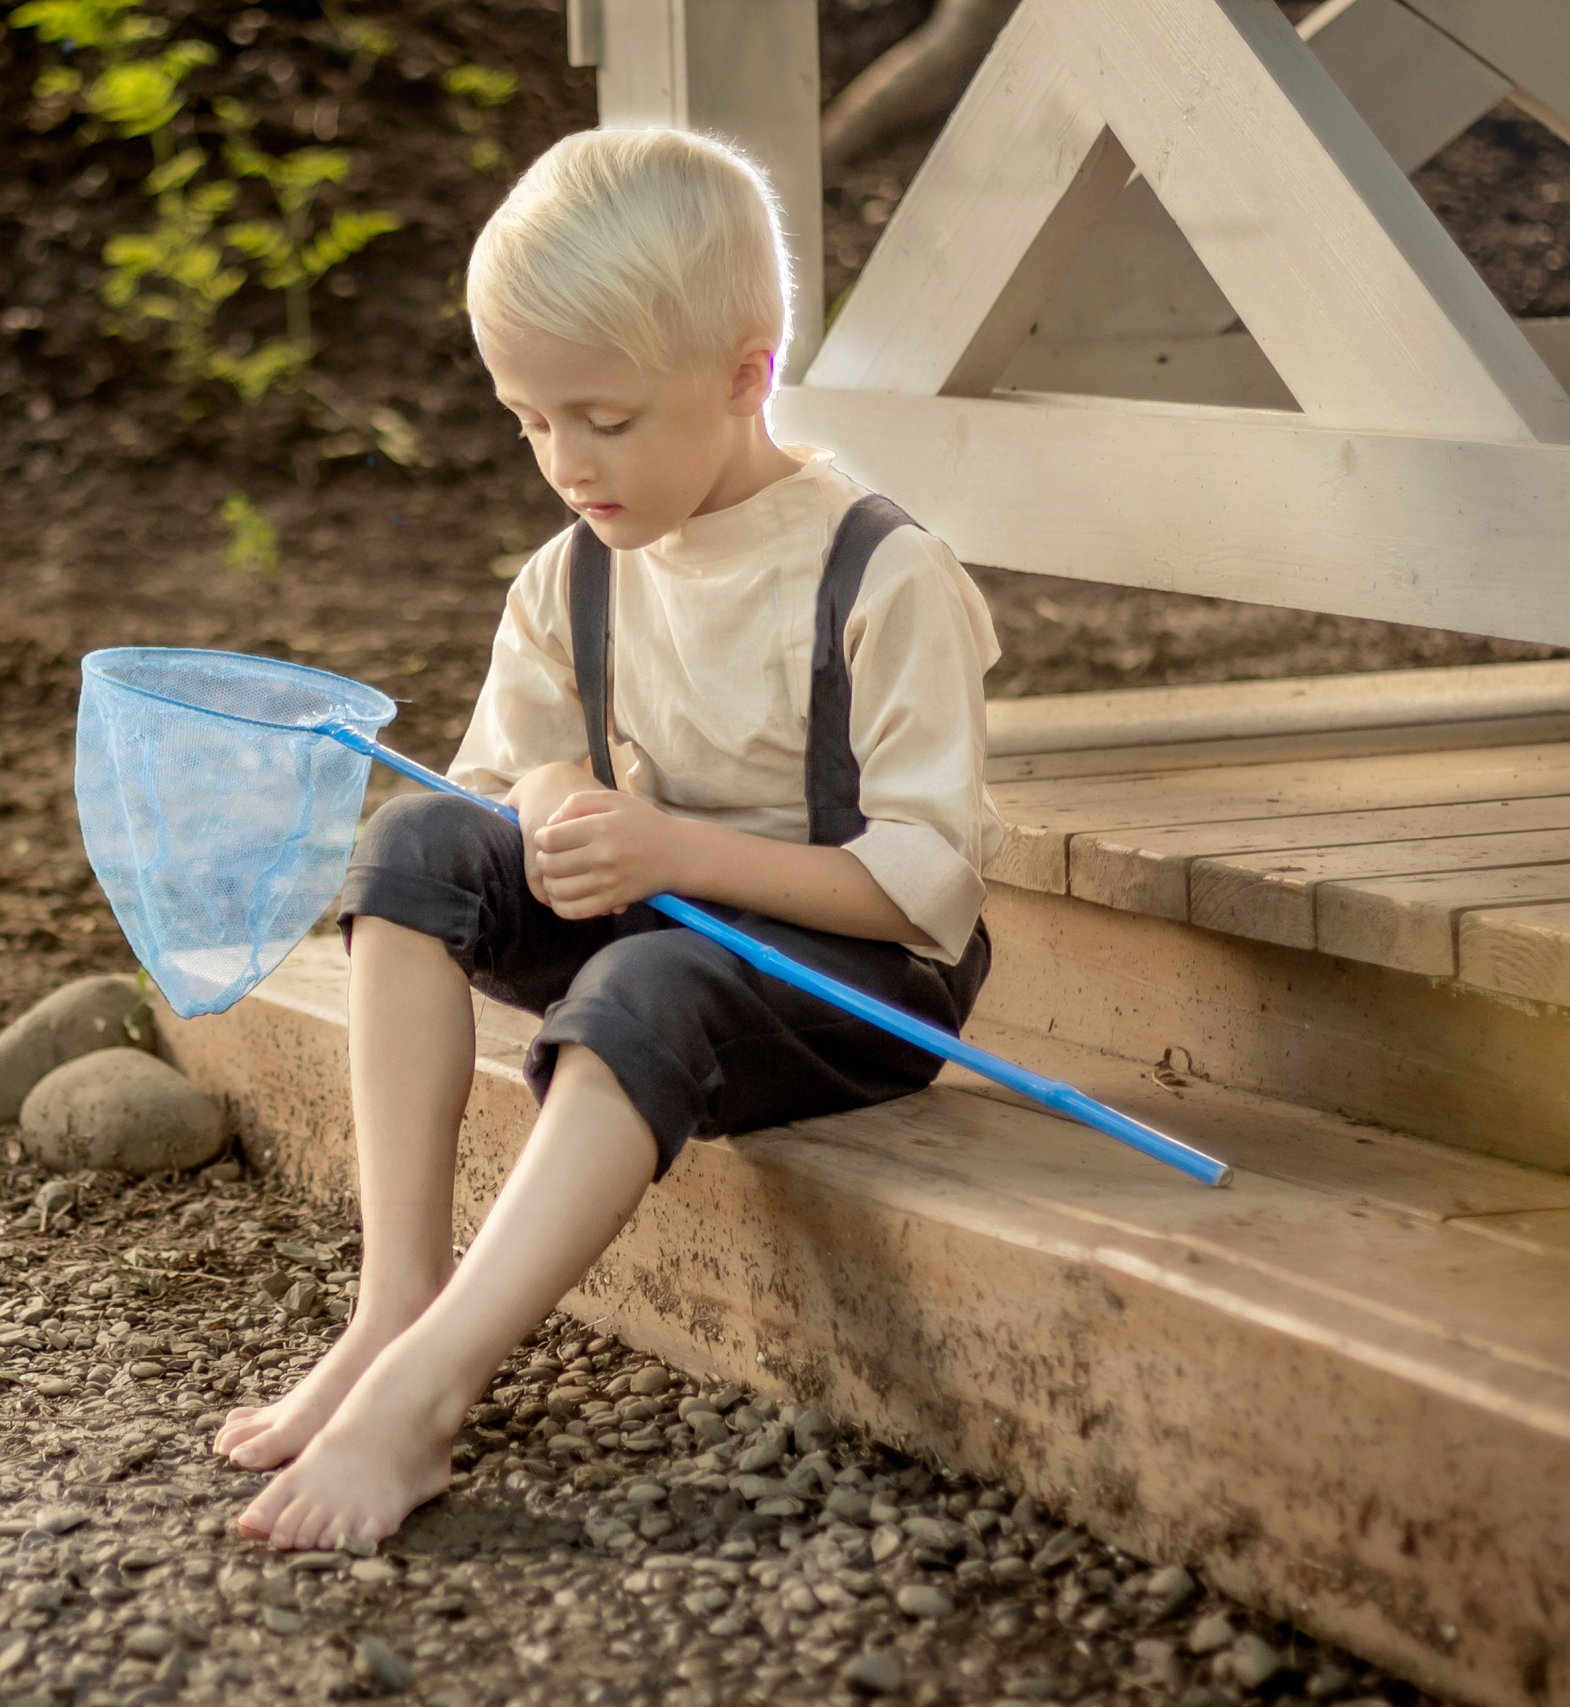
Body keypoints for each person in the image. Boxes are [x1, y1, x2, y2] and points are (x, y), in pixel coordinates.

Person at [212, 126, 1004, 1550]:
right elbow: (514, 763)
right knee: (415, 848)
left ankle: (435, 1394)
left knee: (643, 985)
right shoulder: (571, 568)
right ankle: (396, 1300)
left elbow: (922, 889)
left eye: (607, 419)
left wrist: (669, 857)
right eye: (529, 420)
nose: (565, 462)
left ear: (748, 372)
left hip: (852, 986)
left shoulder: (879, 575)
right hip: (659, 912)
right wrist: (555, 806)